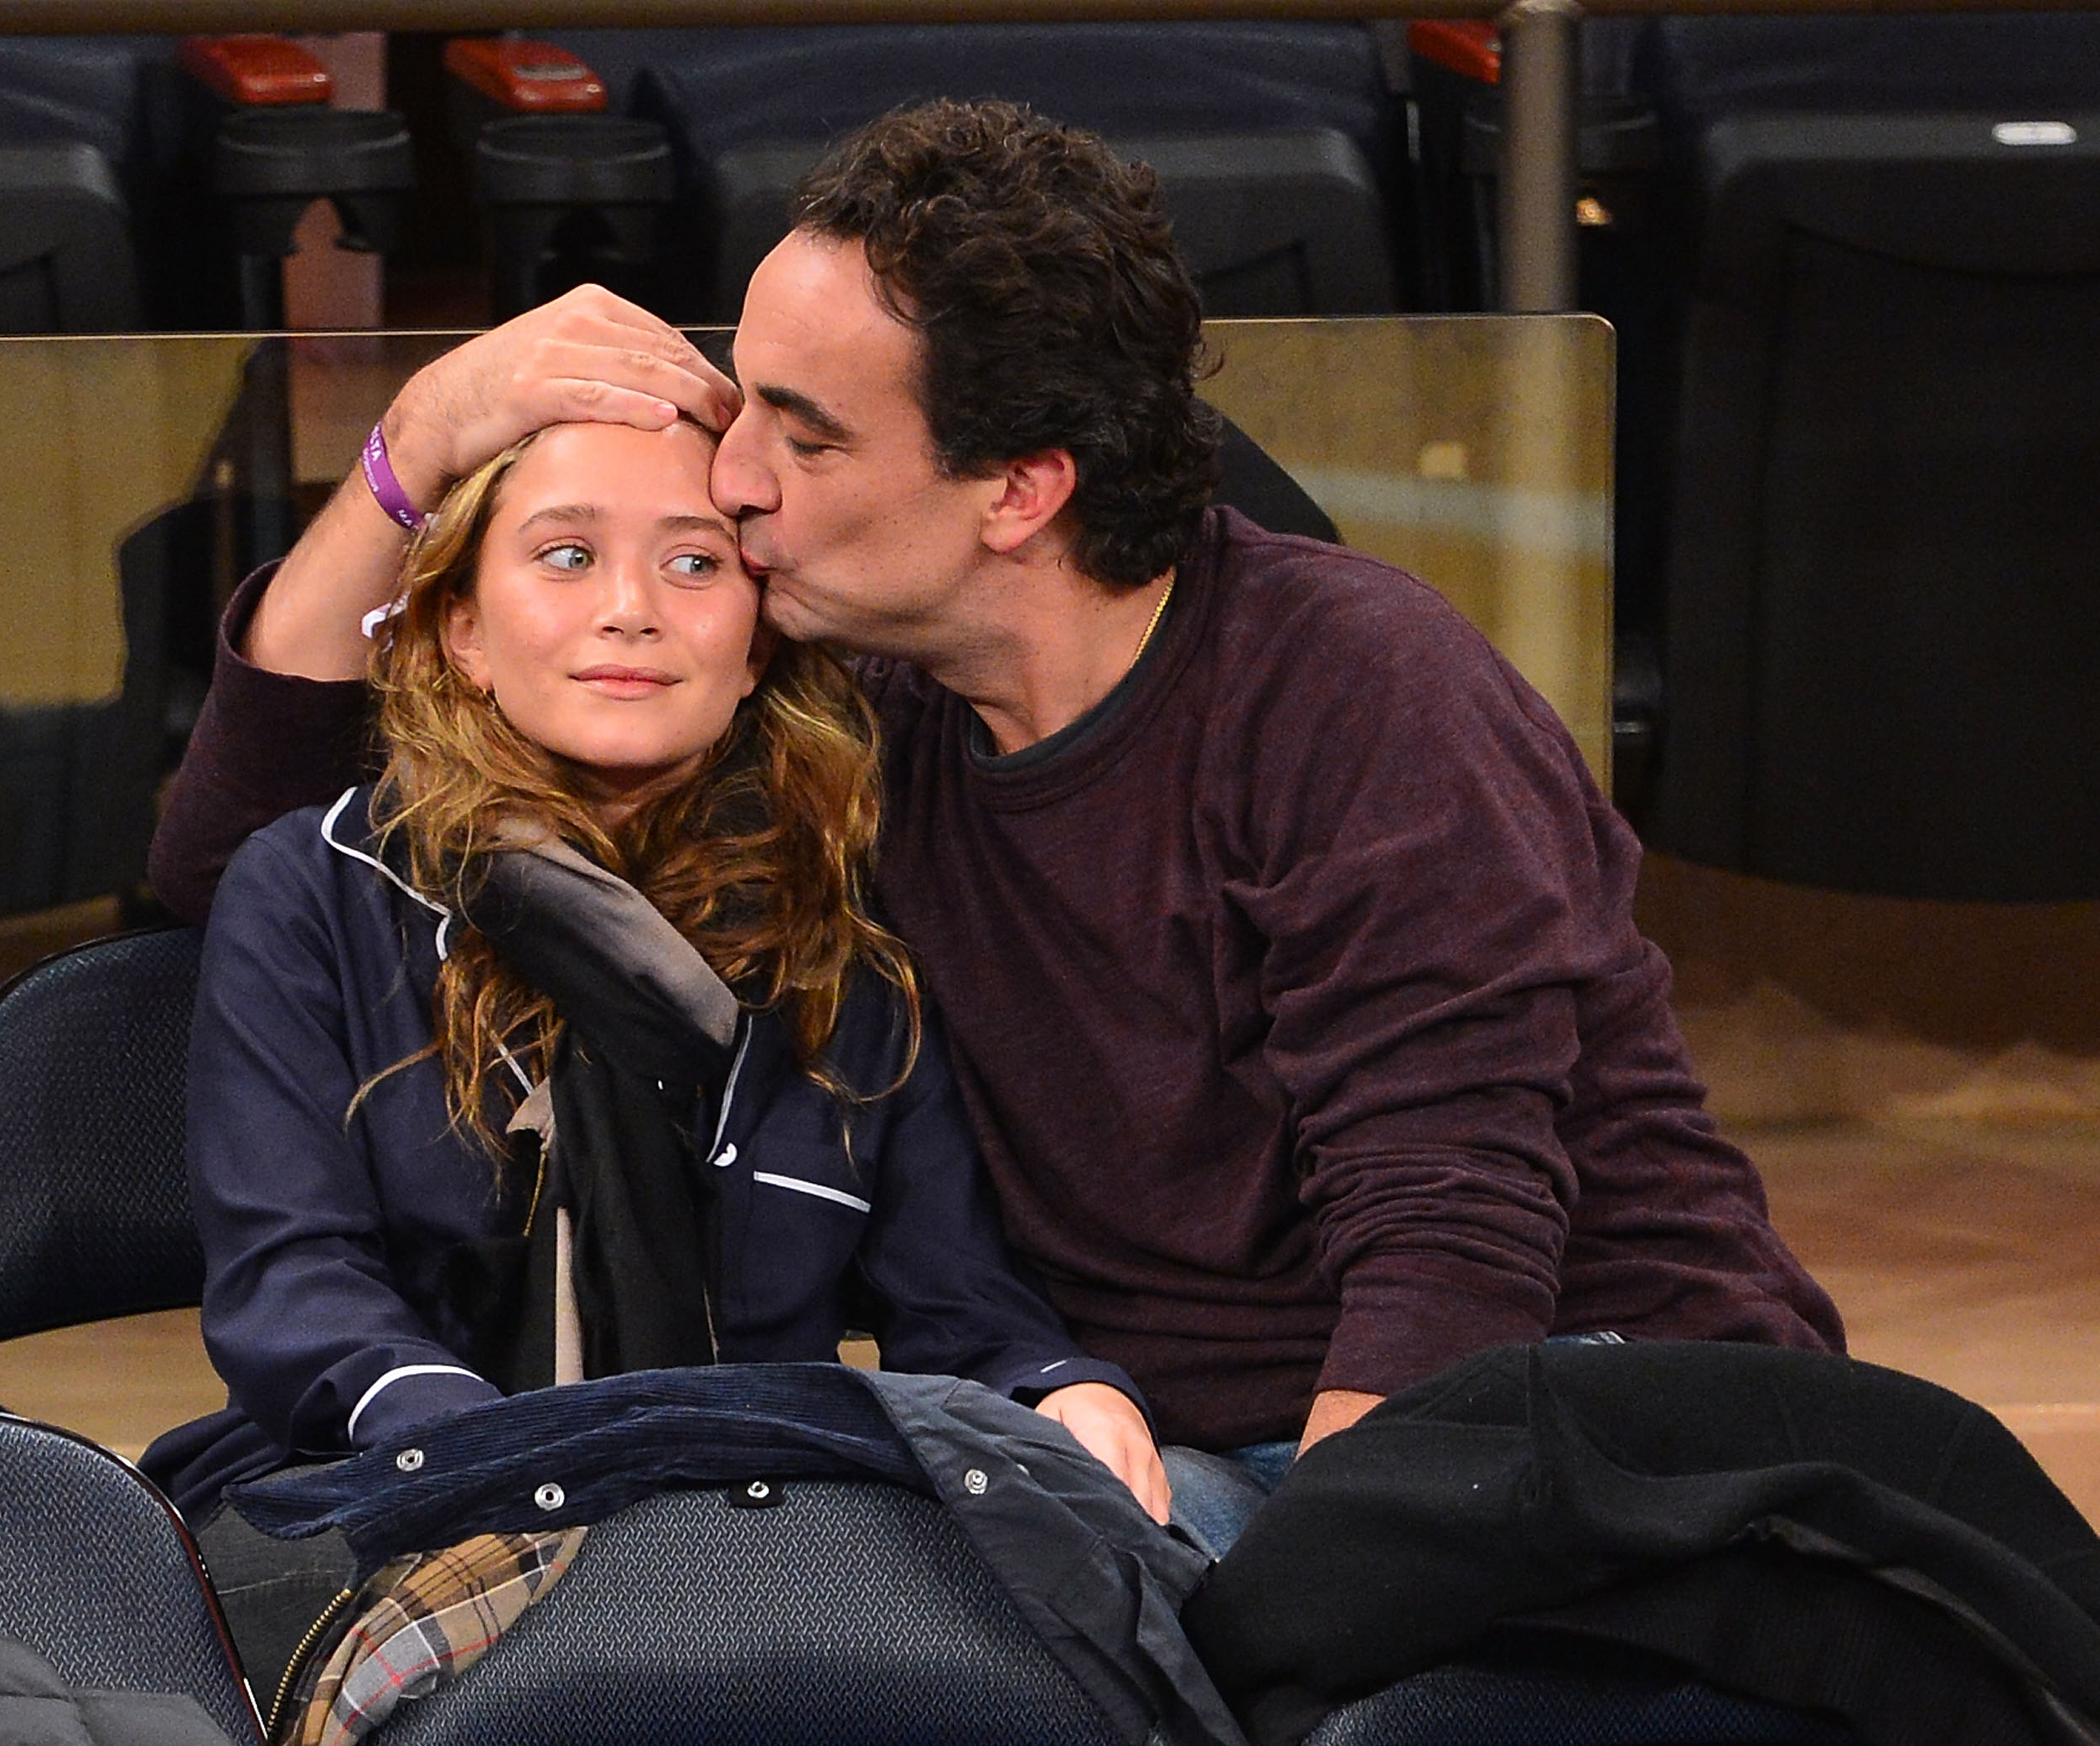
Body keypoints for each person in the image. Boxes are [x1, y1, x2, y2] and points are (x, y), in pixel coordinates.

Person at [151, 98, 1842, 1560]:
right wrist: (412, 452)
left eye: (797, 435)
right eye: (742, 401)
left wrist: (1285, 1614)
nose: (729, 481)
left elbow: (1449, 1259)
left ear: (1020, 489)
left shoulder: (1361, 693)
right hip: (1142, 1458)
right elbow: (252, 856)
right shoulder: (865, 712)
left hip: (1564, 1425)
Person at [142, 413, 1163, 1686]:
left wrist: (1066, 1391)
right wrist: (528, 1463)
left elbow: (961, 1306)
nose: (633, 610)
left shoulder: (843, 937)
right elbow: (293, 1284)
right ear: (460, 631)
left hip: (754, 1516)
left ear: (755, 646)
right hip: (388, 1491)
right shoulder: (314, 888)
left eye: (694, 565)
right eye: (566, 556)